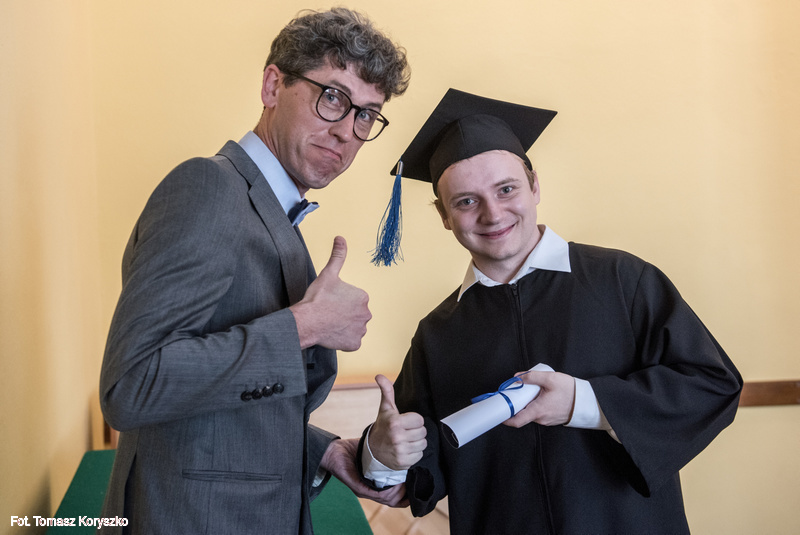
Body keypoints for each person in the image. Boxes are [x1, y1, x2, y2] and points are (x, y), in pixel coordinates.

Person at [359, 89, 743, 534]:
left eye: (506, 189)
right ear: (444, 216)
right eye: (465, 201)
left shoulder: (622, 280)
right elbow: (419, 466)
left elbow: (712, 383)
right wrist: (379, 453)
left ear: (535, 186)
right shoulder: (438, 334)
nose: (492, 213)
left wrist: (583, 402)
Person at [98, 8, 410, 534]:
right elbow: (132, 386)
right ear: (272, 85)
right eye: (333, 97)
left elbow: (216, 404)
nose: (345, 131)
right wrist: (305, 326)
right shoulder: (208, 188)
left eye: (366, 115)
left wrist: (323, 450)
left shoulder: (270, 209)